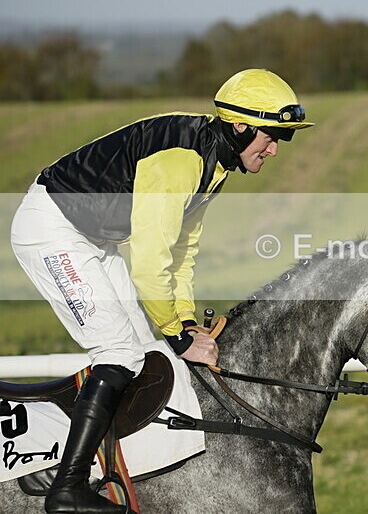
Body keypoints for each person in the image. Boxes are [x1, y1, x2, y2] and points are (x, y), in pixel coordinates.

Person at [10, 69, 313, 513]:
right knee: (118, 352)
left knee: (145, 354)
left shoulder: (214, 164)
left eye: (283, 140)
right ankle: (67, 489)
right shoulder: (181, 160)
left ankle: (111, 468)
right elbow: (151, 265)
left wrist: (186, 323)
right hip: (53, 229)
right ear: (241, 125)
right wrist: (180, 336)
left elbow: (182, 252)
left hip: (95, 237)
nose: (274, 149)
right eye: (272, 136)